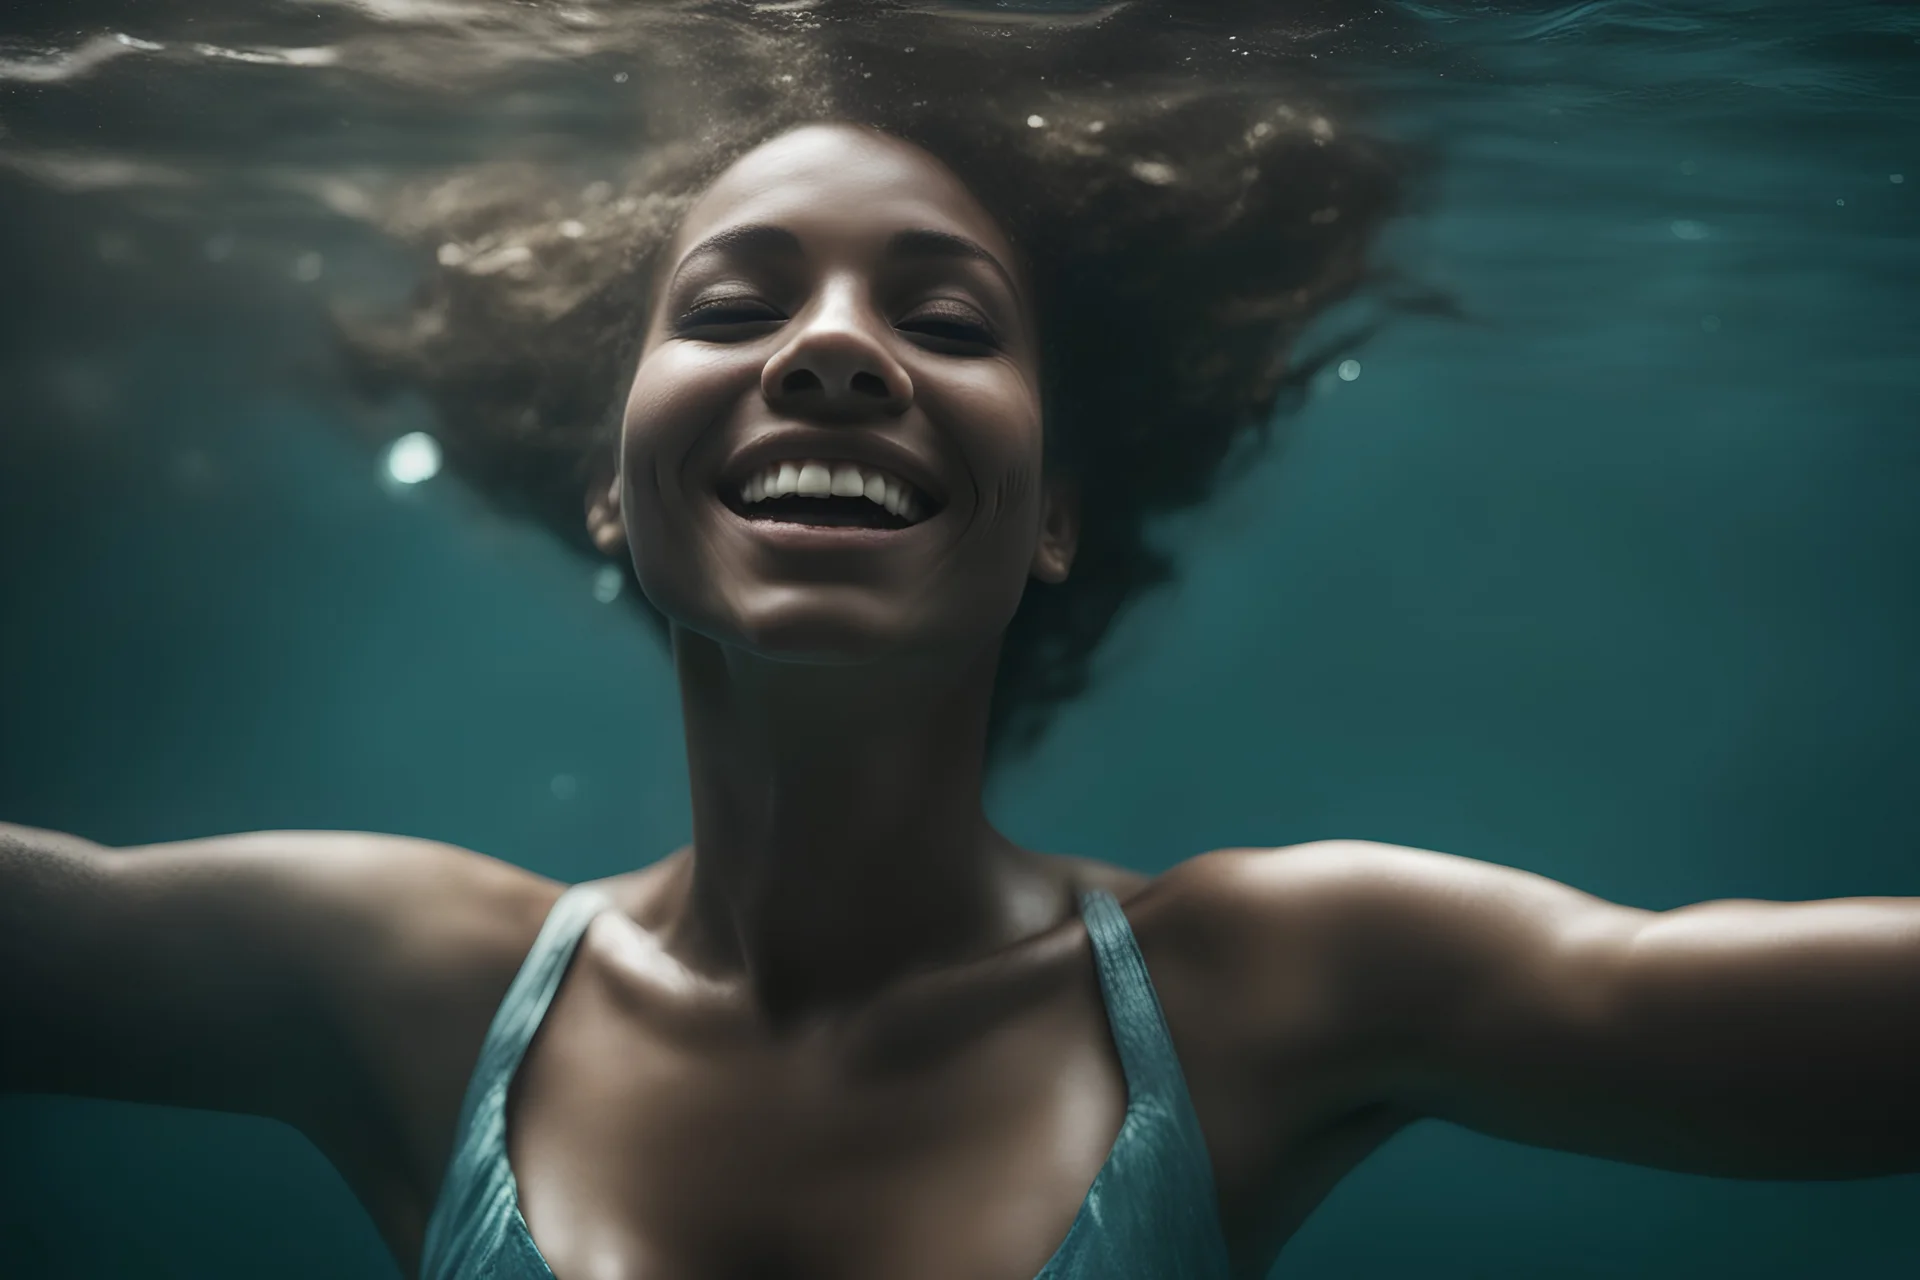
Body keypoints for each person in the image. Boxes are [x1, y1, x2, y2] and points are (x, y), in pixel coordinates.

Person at [3, 5, 1916, 1280]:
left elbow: (1691, 1000)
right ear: (612, 482)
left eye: (951, 318)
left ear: (1058, 507)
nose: (834, 350)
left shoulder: (1277, 983)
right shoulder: (389, 975)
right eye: (738, 298)